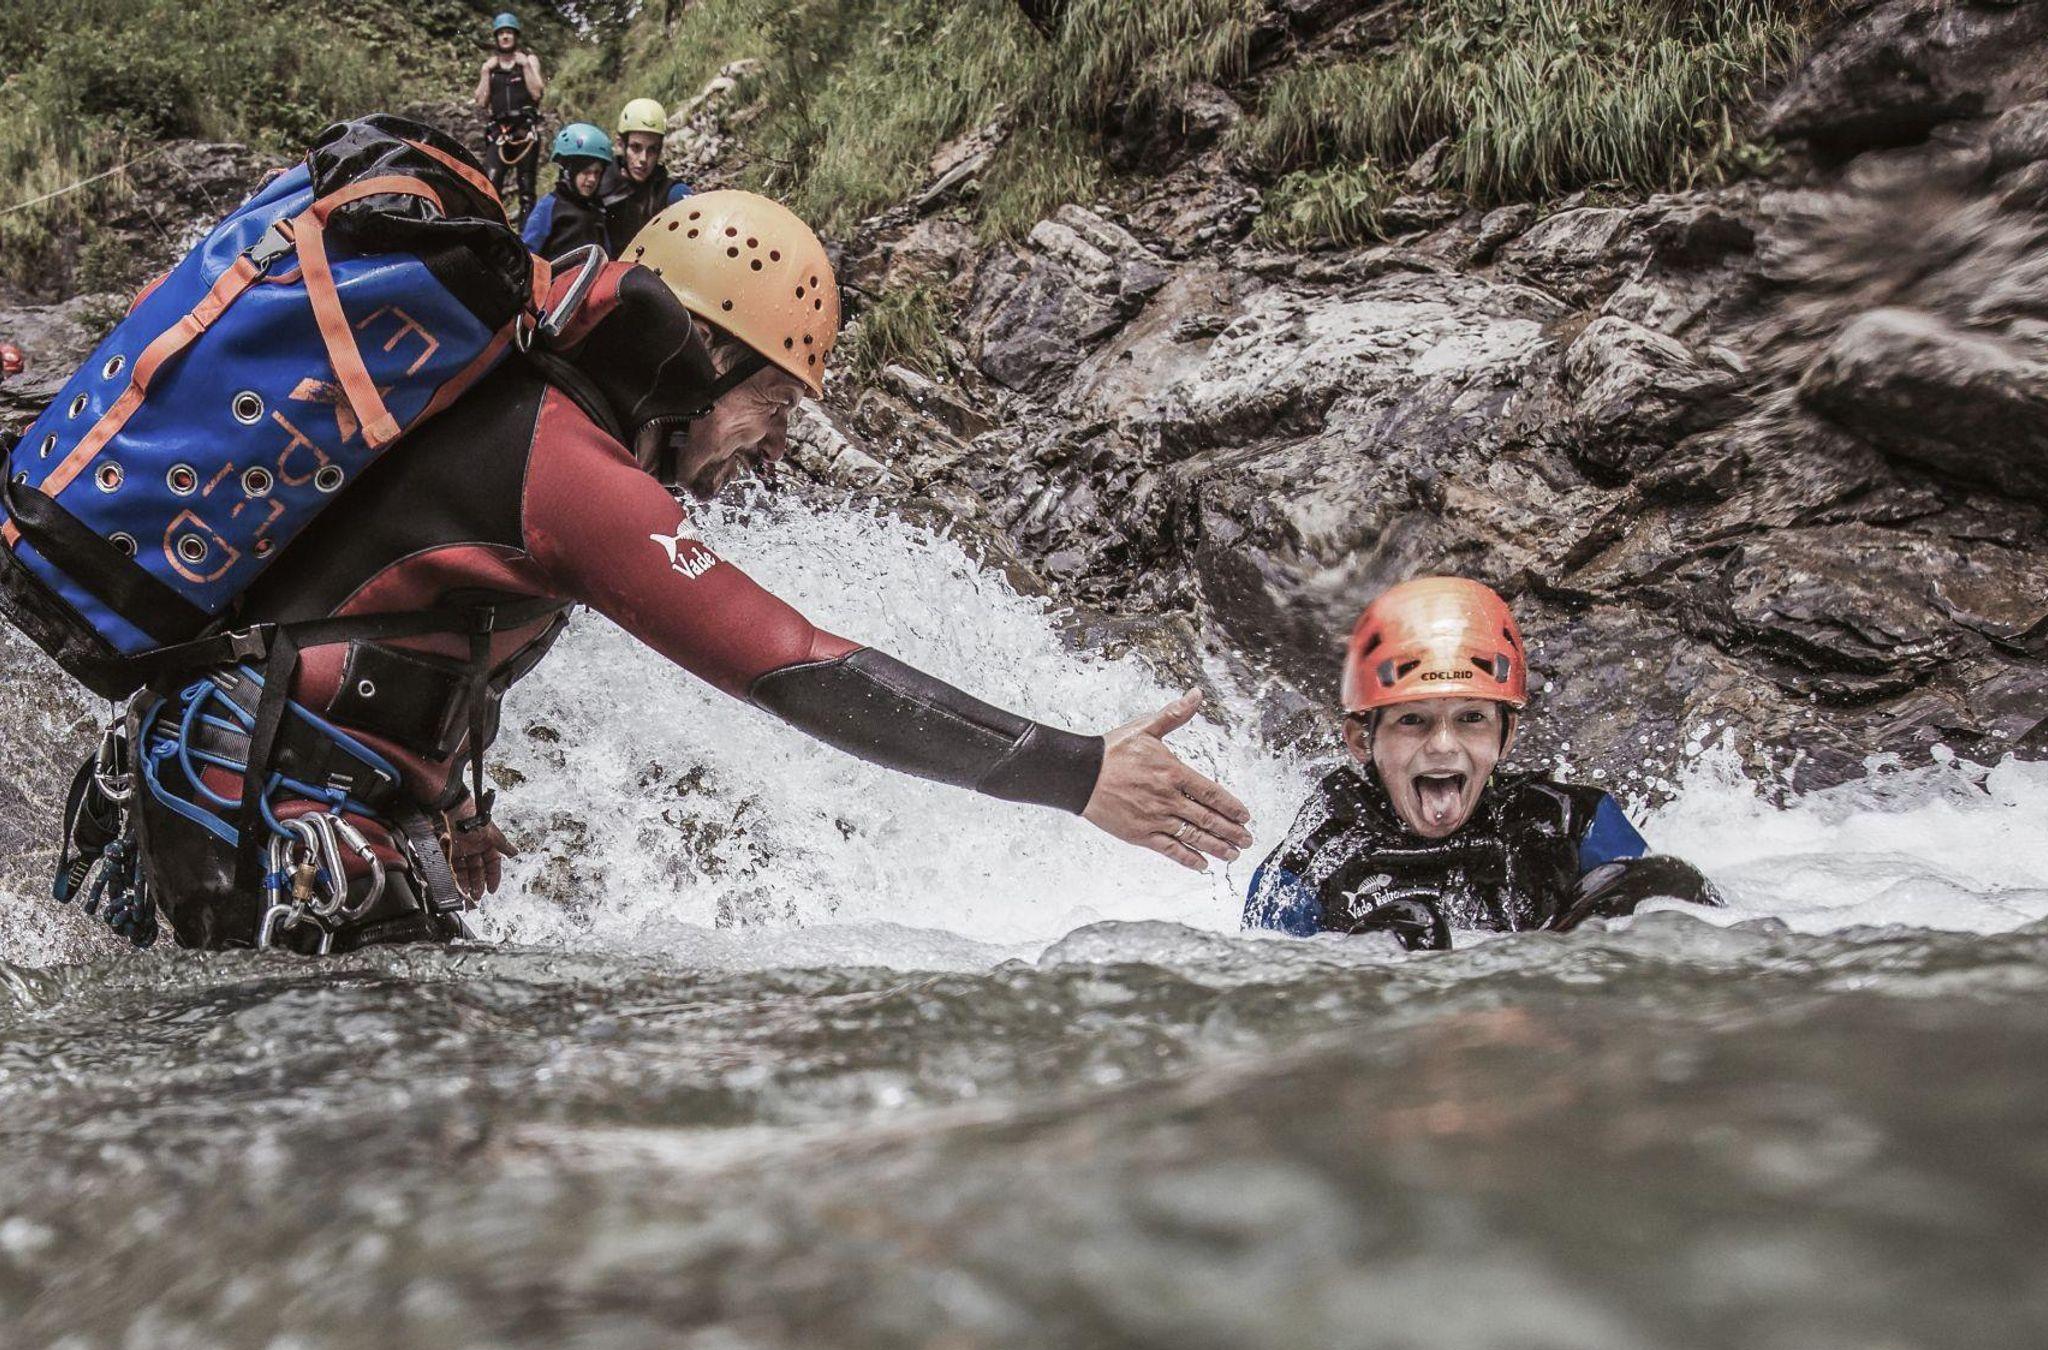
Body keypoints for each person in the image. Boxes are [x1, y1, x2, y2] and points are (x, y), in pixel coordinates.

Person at [124, 189, 1252, 952]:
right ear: (705, 351)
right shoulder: (566, 463)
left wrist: (449, 798)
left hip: (256, 787)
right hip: (261, 799)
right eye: (773, 400)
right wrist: (1076, 772)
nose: (774, 441)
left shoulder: (548, 431)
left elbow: (409, 614)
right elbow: (801, 667)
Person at [1244, 576, 1715, 948]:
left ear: (1507, 735)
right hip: (1393, 1023)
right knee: (1411, 926)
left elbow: (1692, 924)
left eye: (1471, 719)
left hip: (1547, 1003)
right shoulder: (1314, 856)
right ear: (1361, 740)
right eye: (1412, 720)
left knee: (1660, 878)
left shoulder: (1573, 823)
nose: (1443, 746)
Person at [600, 98, 693, 257]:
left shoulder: (669, 191)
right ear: (621, 145)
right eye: (636, 148)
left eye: (652, 150)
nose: (643, 159)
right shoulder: (600, 188)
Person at [473, 11, 545, 215]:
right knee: (490, 185)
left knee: (527, 190)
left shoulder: (529, 61)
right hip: (500, 132)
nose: (505, 36)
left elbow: (537, 93)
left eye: (509, 32)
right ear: (496, 37)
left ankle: (527, 232)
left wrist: (526, 66)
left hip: (524, 130)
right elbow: (481, 101)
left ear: (516, 36)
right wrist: (485, 72)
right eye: (501, 33)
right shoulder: (490, 67)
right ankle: (492, 228)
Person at [521, 124, 616, 260]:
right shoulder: (549, 206)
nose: (592, 179)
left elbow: (608, 255)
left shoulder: (597, 209)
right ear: (569, 172)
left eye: (597, 173)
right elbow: (528, 254)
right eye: (586, 171)